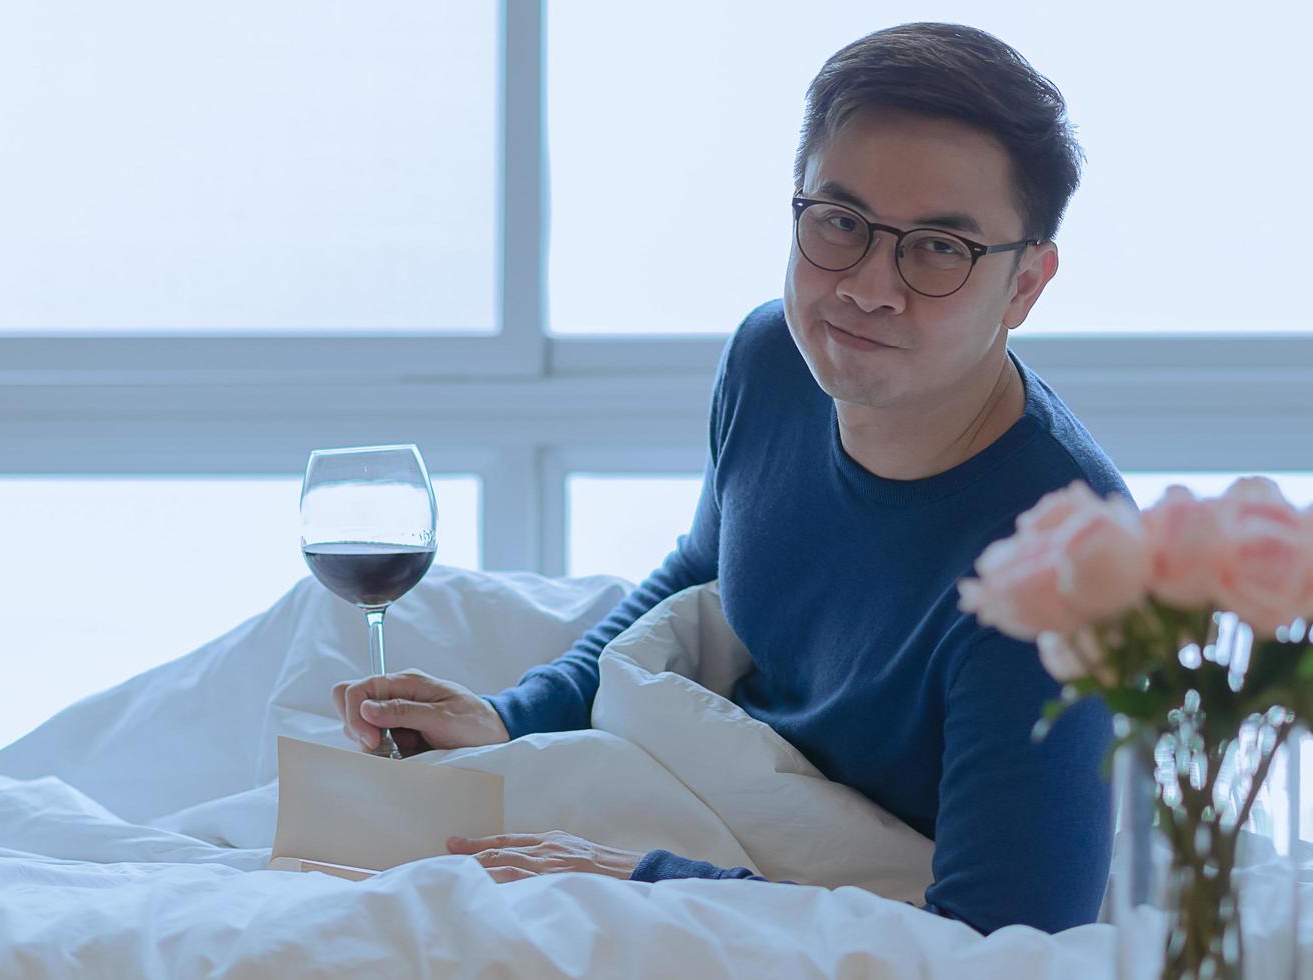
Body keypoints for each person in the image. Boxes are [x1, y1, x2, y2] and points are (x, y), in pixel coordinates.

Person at [331, 21, 1124, 935]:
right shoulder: (774, 361)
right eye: (841, 222)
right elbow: (704, 569)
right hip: (727, 795)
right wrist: (512, 717)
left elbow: (1006, 935)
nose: (869, 287)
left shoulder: (1061, 566)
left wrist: (649, 881)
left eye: (939, 249)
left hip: (855, 893)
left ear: (1026, 285)